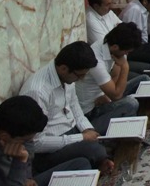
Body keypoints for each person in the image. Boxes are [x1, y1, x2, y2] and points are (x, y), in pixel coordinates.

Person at [19, 41, 113, 174]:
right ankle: (98, 159)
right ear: (64, 68)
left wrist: (87, 129)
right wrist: (81, 138)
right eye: (80, 75)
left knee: (101, 136)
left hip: (74, 132)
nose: (81, 79)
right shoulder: (38, 92)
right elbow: (37, 143)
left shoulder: (67, 76)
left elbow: (75, 106)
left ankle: (98, 160)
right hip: (50, 149)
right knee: (94, 149)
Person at [0, 96, 90, 186]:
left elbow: (29, 150)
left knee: (81, 165)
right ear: (4, 137)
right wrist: (19, 161)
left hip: (21, 177)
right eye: (25, 140)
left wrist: (27, 177)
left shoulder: (10, 120)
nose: (29, 143)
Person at [75, 22, 149, 135]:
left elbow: (114, 76)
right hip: (91, 111)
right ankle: (123, 134)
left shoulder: (110, 47)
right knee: (131, 103)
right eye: (126, 52)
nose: (126, 55)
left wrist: (106, 95)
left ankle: (137, 120)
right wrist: (125, 67)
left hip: (103, 97)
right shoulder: (96, 62)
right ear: (115, 47)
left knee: (144, 80)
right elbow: (116, 95)